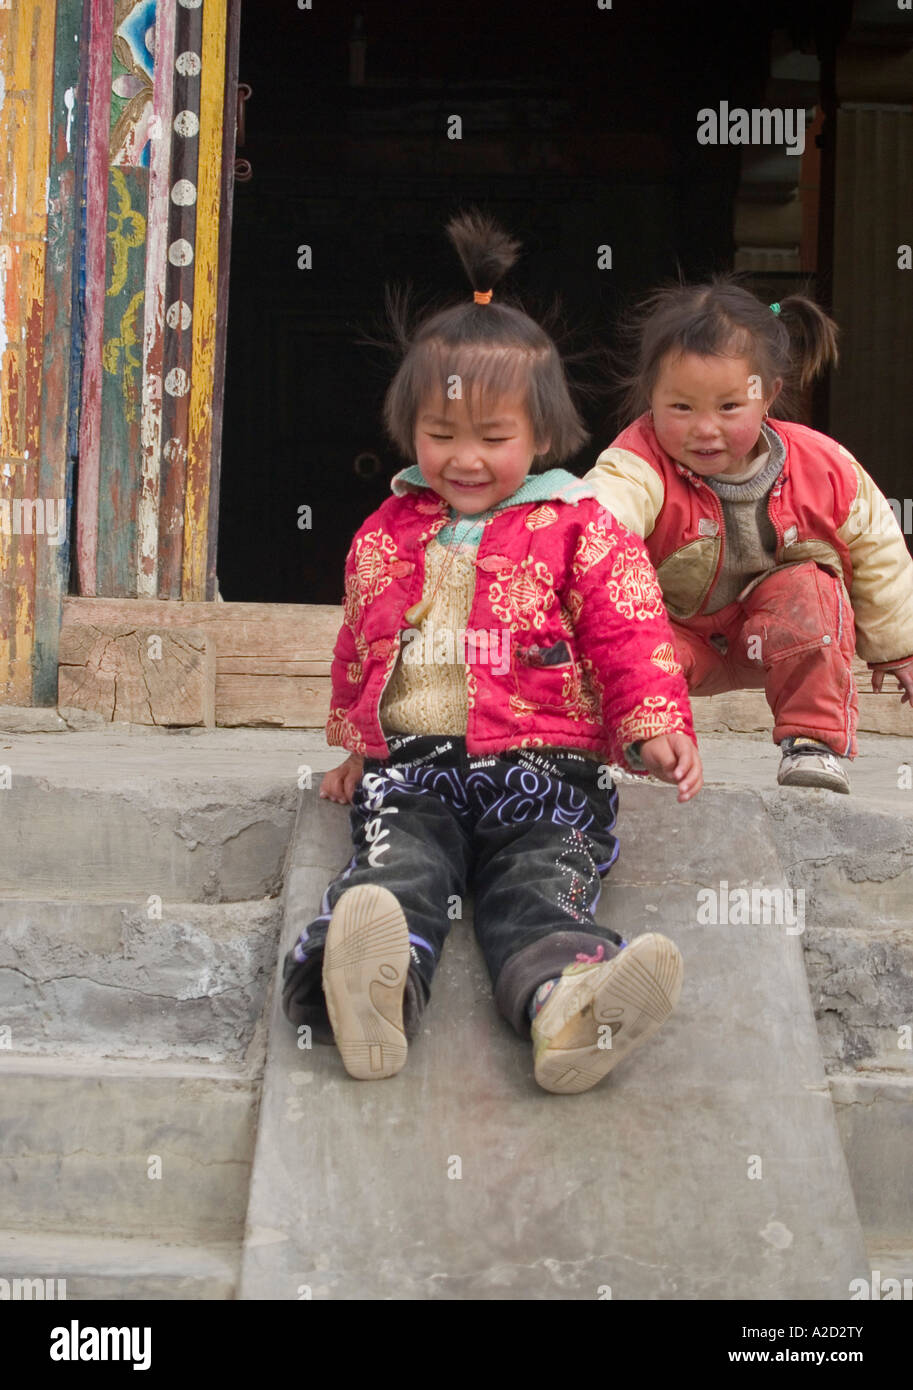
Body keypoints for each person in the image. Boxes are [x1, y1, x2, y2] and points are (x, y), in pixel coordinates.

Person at [282, 210, 702, 1095]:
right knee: (393, 868)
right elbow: (363, 641)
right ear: (409, 427)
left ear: (542, 436)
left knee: (542, 888)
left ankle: (568, 1008)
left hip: (543, 769)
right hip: (417, 766)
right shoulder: (387, 529)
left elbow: (627, 626)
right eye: (441, 435)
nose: (463, 458)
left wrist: (652, 721)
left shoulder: (578, 527)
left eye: (492, 438)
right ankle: (368, 996)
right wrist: (359, 746)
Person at [584, 279, 913, 794]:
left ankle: (813, 744)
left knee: (814, 587)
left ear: (768, 397)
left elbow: (879, 548)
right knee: (611, 633)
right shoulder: (636, 462)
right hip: (679, 638)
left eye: (729, 407)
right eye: (682, 408)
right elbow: (597, 524)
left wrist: (900, 647)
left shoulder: (824, 466)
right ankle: (642, 743)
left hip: (778, 635)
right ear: (651, 399)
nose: (705, 429)